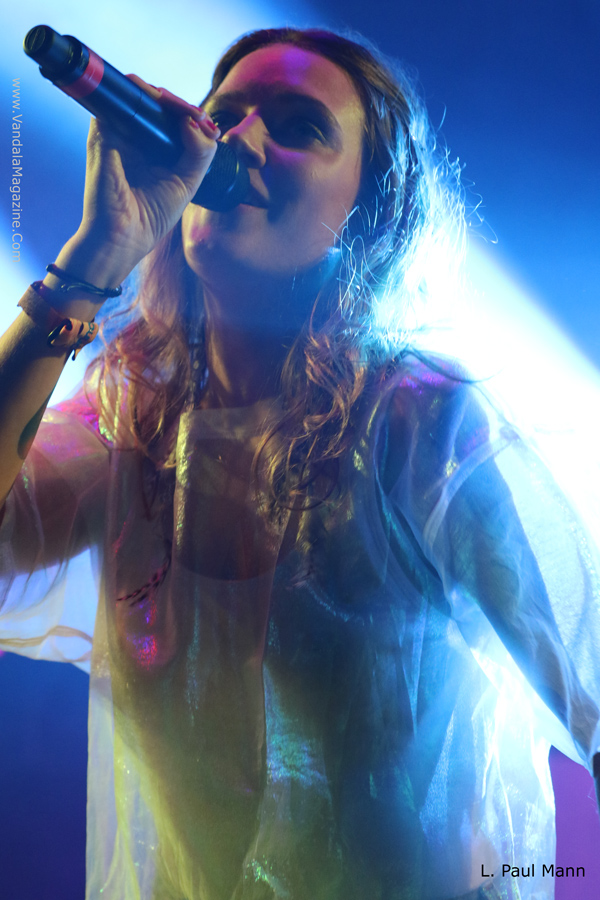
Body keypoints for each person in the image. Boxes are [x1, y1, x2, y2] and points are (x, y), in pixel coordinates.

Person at [1, 26, 599, 900]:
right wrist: (93, 257)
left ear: (370, 209)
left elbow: (588, 682)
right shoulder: (128, 423)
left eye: (297, 126)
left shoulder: (421, 425)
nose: (237, 143)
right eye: (222, 118)